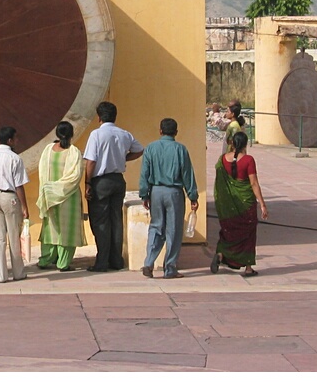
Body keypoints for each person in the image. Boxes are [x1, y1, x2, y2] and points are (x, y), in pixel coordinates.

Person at [83, 101, 144, 272]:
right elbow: (139, 150)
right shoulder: (124, 134)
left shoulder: (96, 135)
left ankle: (102, 262)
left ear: (99, 117)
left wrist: (87, 183)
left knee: (100, 222)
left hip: (101, 182)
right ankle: (116, 260)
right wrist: (123, 159)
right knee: (116, 220)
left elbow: (91, 162)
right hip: (118, 179)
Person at [139, 118, 199, 279]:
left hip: (156, 192)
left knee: (156, 227)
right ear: (176, 132)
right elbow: (188, 175)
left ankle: (149, 262)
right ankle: (170, 267)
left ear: (160, 131)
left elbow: (144, 174)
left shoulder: (151, 148)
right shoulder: (181, 149)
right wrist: (193, 195)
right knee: (173, 230)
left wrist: (144, 194)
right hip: (174, 192)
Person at [211, 131, 268, 277]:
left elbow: (220, 184)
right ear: (245, 144)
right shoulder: (248, 160)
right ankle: (248, 267)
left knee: (228, 231)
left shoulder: (222, 159)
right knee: (248, 234)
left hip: (229, 205)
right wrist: (262, 204)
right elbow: (254, 183)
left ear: (232, 143)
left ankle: (221, 254)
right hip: (246, 203)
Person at [36, 121, 86, 272]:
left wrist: (49, 190)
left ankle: (46, 260)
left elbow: (42, 173)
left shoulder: (47, 150)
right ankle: (63, 263)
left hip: (49, 196)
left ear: (57, 134)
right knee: (67, 230)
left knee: (50, 228)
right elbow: (75, 177)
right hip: (68, 197)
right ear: (72, 135)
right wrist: (59, 189)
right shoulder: (74, 152)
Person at [0, 126, 29, 283]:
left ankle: (1, 275)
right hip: (10, 197)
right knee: (13, 236)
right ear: (10, 140)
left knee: (0, 238)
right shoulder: (15, 158)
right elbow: (19, 185)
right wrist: (24, 206)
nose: (17, 141)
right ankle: (18, 272)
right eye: (15, 138)